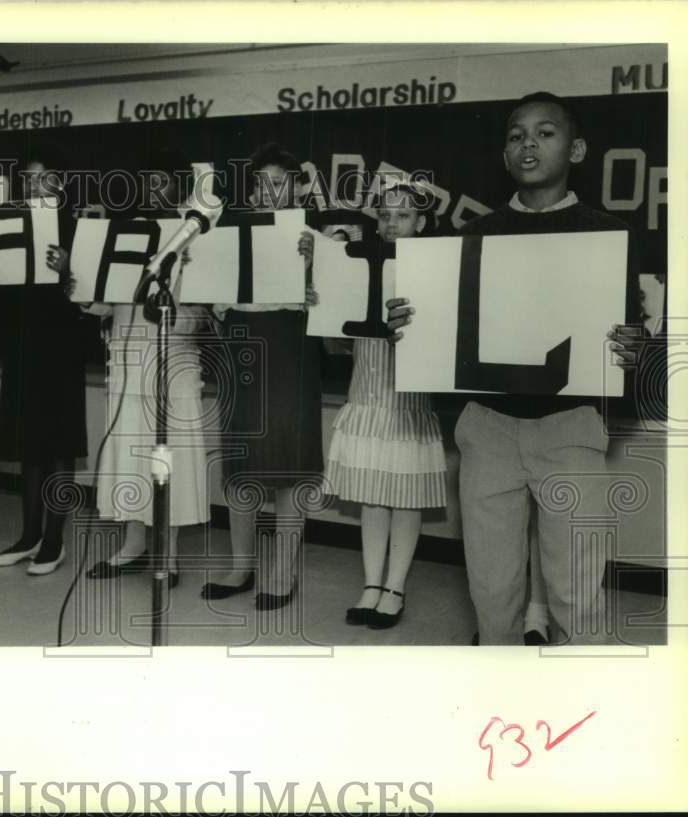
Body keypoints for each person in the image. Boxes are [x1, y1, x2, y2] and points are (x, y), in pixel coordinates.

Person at [387, 92, 642, 645]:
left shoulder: (609, 235)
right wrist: (411, 322)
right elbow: (444, 336)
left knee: (576, 591)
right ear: (504, 155)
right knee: (492, 590)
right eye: (515, 134)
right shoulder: (472, 237)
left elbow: (628, 335)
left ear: (575, 149)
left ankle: (585, 715)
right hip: (488, 430)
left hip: (572, 427)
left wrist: (633, 345)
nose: (528, 143)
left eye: (544, 132)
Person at [80, 150, 212, 588]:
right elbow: (103, 303)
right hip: (127, 359)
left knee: (165, 459)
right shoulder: (123, 235)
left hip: (173, 365)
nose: (154, 190)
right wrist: (76, 287)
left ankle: (168, 555)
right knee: (129, 458)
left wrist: (177, 314)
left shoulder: (195, 238)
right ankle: (132, 546)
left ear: (177, 187)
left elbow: (203, 314)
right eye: (148, 182)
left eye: (162, 182)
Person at [323, 181, 447, 629]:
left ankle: (396, 586)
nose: (392, 224)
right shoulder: (359, 268)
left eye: (403, 216)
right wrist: (325, 307)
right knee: (372, 496)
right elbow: (339, 343)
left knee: (404, 495)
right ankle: (371, 584)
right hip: (366, 395)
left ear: (422, 223)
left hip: (407, 400)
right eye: (385, 216)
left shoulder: (436, 270)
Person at [202, 142, 320, 610]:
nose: (267, 191)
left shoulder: (314, 236)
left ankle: (284, 570)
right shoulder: (228, 231)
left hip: (291, 351)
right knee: (240, 458)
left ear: (295, 187)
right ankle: (241, 565)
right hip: (242, 346)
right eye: (260, 182)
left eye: (278, 182)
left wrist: (314, 269)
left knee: (290, 463)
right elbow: (212, 299)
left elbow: (333, 309)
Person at [0, 144, 88, 576]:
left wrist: (68, 269)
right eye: (26, 179)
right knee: (30, 443)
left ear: (58, 183)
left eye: (40, 178)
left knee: (59, 445)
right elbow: (0, 296)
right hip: (24, 345)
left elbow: (88, 295)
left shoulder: (77, 228)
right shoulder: (11, 225)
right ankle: (29, 535)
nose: (31, 185)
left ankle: (54, 540)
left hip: (61, 347)